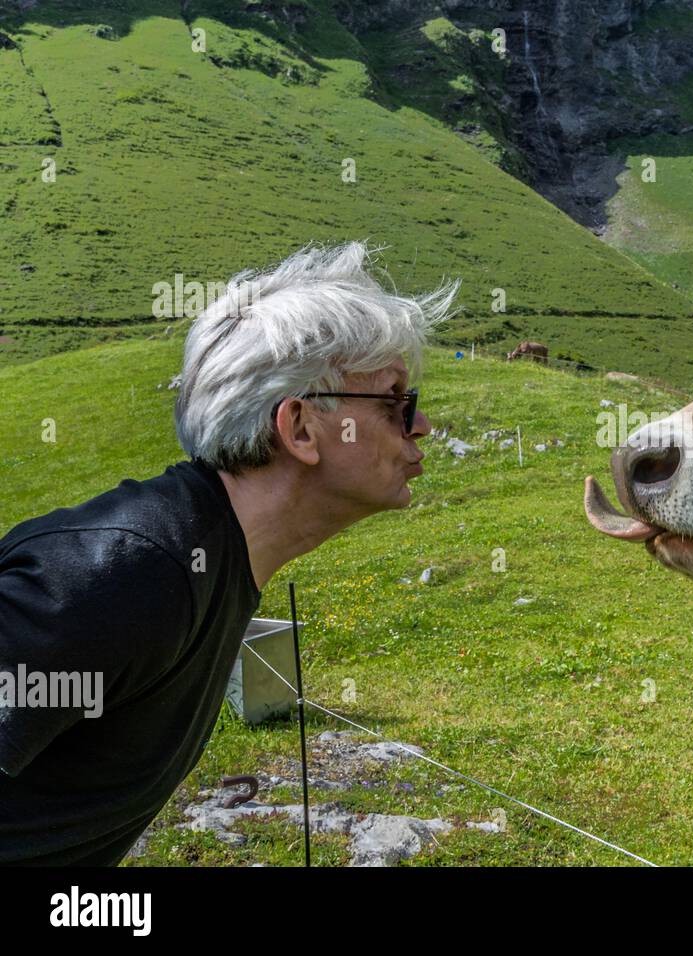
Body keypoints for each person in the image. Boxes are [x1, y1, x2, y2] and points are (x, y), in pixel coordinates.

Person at [0, 242, 457, 864]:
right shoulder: (123, 573)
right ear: (299, 428)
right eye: (395, 400)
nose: (421, 424)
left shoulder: (201, 558)